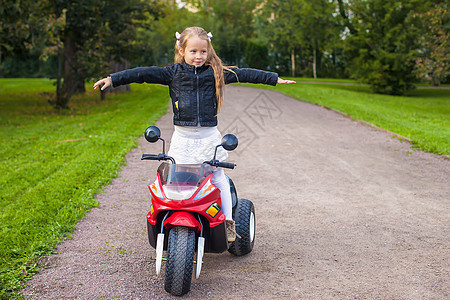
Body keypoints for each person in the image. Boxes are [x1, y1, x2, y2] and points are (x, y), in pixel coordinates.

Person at [94, 26, 295, 242]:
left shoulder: (216, 73)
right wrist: (113, 79)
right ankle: (170, 221)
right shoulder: (172, 73)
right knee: (176, 183)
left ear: (208, 51)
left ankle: (227, 222)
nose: (198, 56)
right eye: (193, 51)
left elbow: (245, 73)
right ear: (181, 50)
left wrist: (274, 79)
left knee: (218, 179)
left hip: (209, 137)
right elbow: (142, 73)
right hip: (183, 138)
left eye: (202, 51)